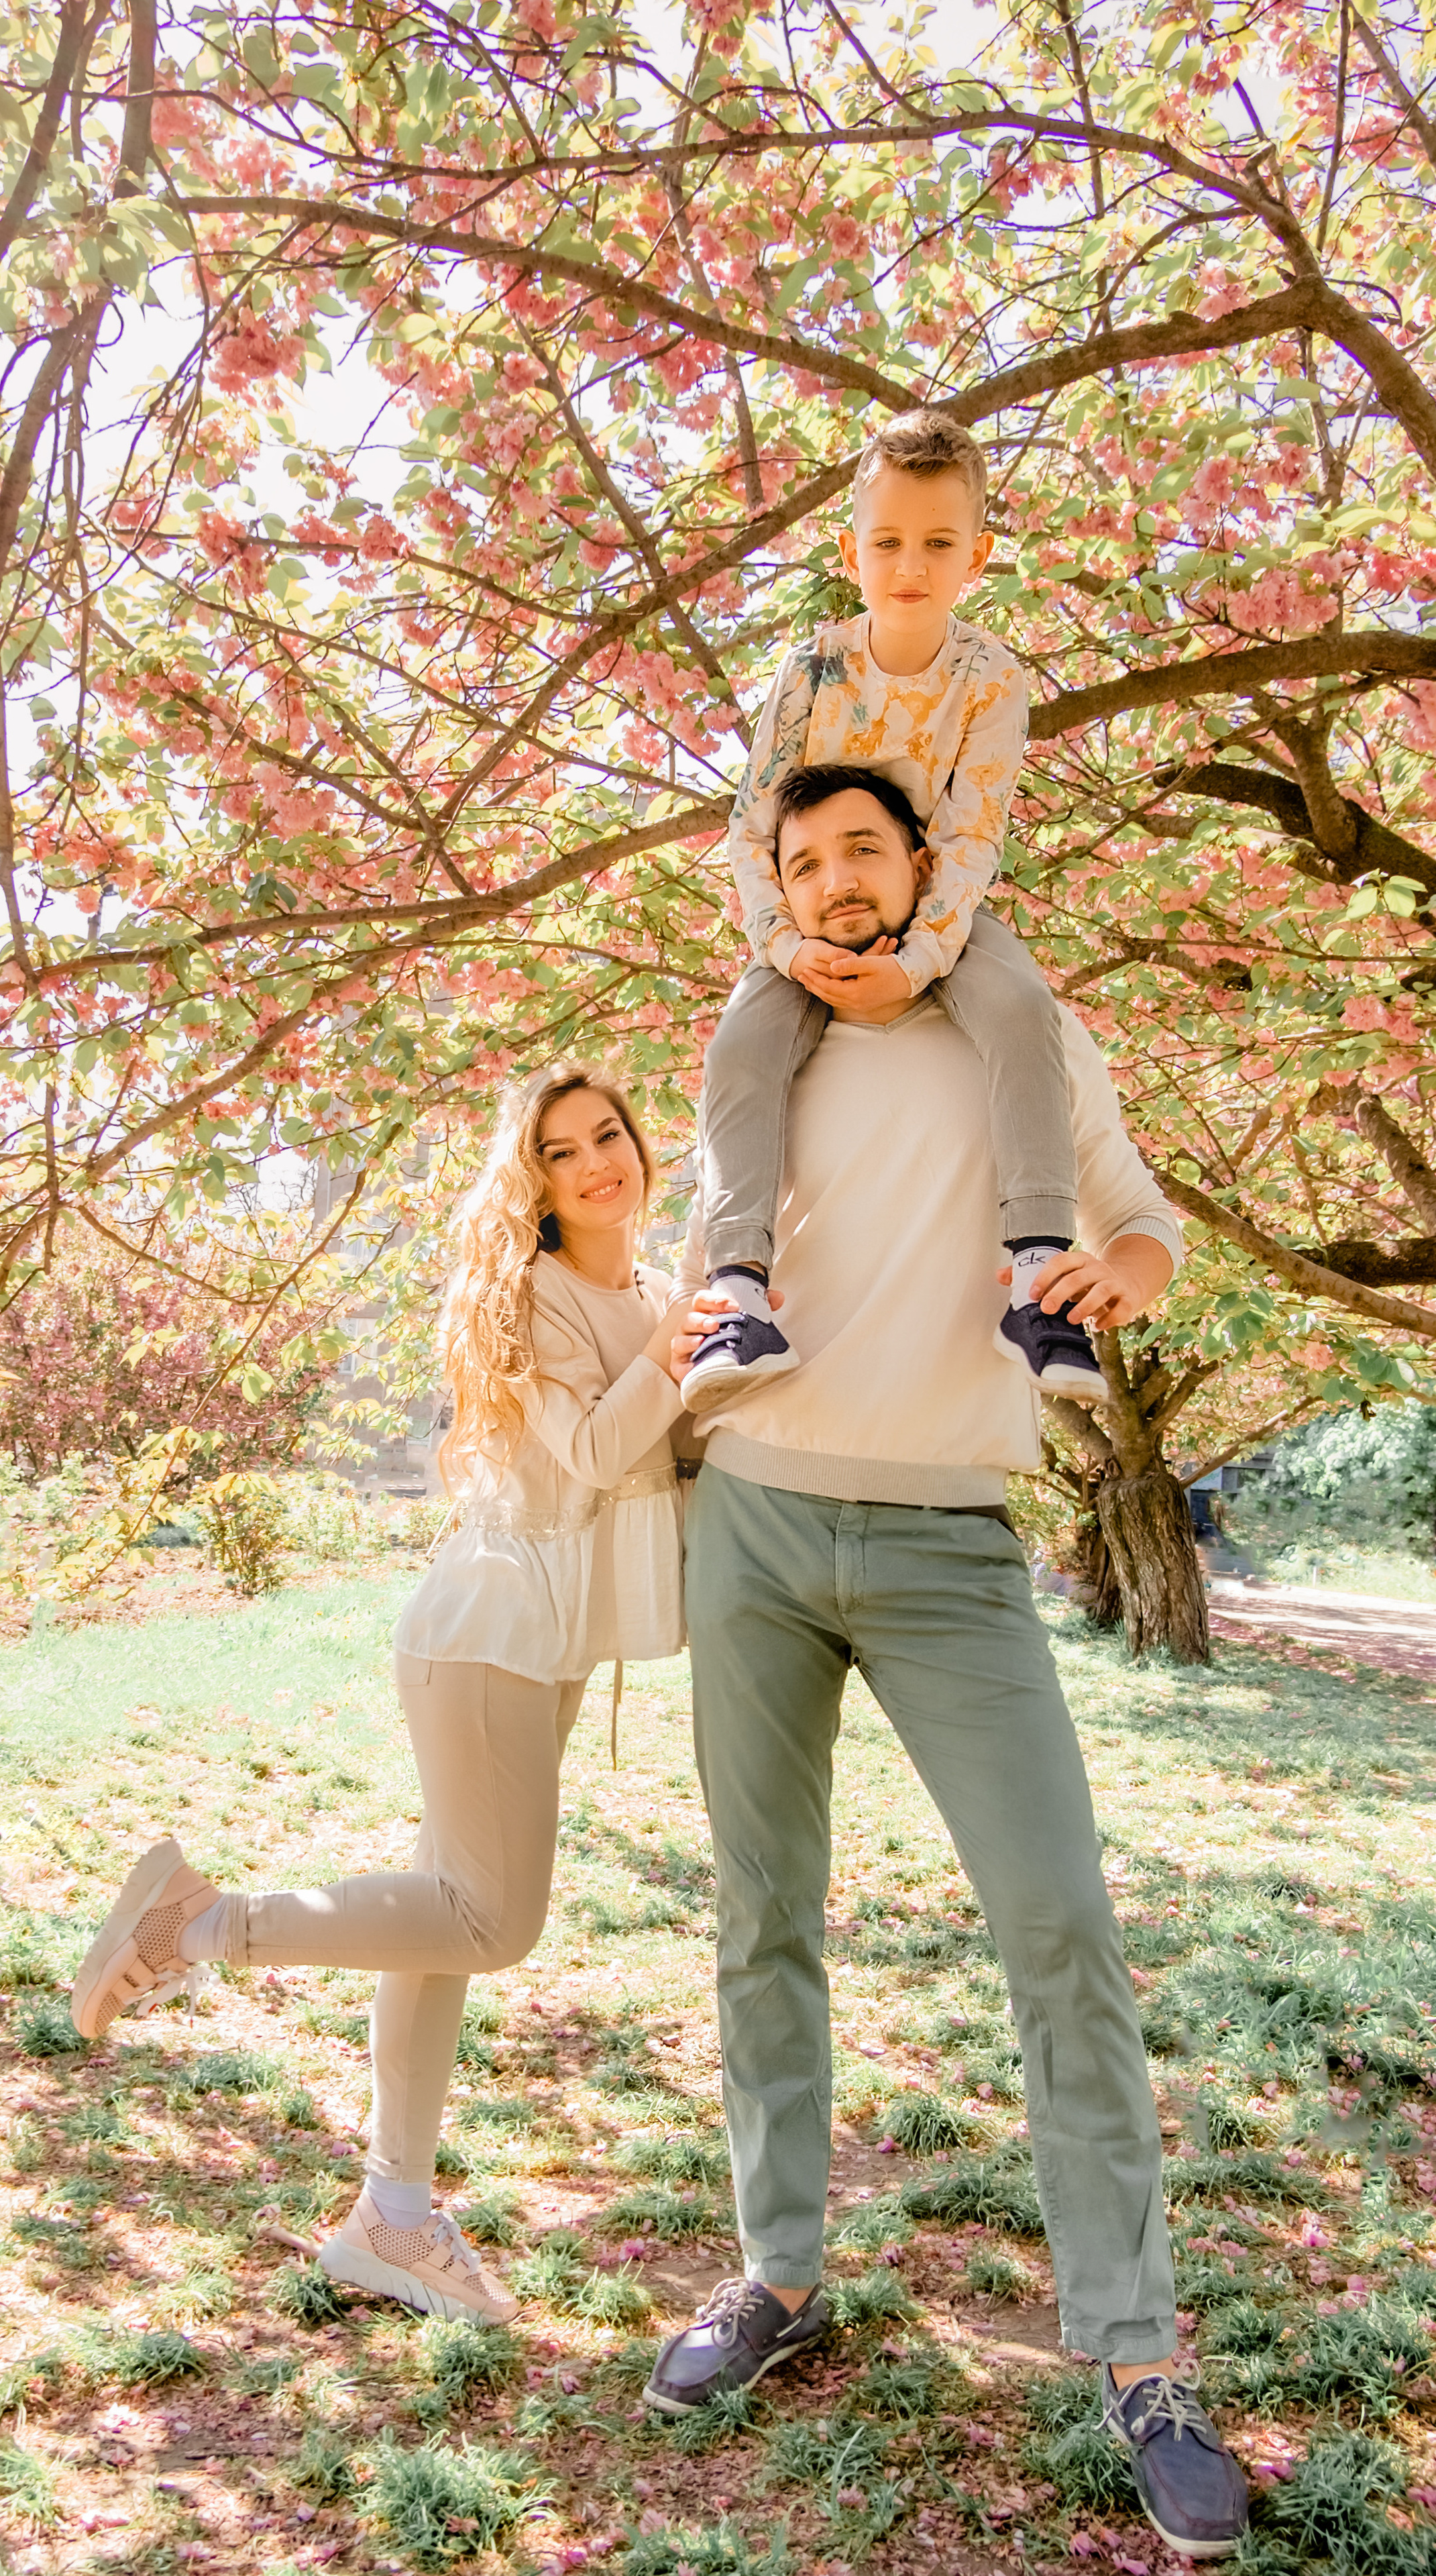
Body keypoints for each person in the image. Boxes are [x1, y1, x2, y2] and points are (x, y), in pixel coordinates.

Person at [648, 767, 1251, 2563]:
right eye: (804, 858)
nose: (837, 879)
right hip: (755, 1523)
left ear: (925, 865)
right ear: (778, 889)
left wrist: (1125, 1270)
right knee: (762, 1912)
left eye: (866, 849)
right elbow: (712, 1266)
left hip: (948, 1547)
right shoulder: (761, 1048)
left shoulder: (1022, 1028)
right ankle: (778, 2275)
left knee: (1059, 1923)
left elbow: (1142, 1221)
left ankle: (1136, 2355)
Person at [70, 1065, 696, 2326]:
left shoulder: (652, 1292)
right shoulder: (535, 1295)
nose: (596, 1164)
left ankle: (391, 2217)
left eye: (609, 1135)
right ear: (535, 1183)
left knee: (437, 1927)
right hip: (488, 1636)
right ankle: (202, 1925)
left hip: (542, 1643)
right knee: (488, 1923)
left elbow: (671, 1451)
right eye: (562, 1151)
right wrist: (680, 1347)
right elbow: (591, 1449)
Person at [683, 407, 1106, 1414]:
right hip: (812, 918)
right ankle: (738, 1288)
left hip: (938, 910)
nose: (910, 566)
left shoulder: (991, 680)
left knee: (1022, 1011)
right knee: (743, 1047)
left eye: (938, 544)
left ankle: (1038, 1273)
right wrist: (786, 949)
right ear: (851, 552)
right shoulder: (812, 670)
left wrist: (914, 964)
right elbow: (753, 827)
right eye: (887, 543)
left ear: (978, 556)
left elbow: (970, 838)